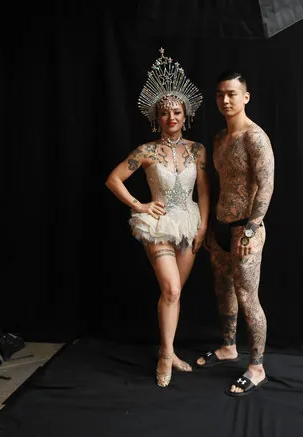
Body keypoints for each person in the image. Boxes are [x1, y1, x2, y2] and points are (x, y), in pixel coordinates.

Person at [105, 48, 209, 388]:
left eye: (177, 112)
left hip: (191, 222)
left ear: (186, 114)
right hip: (158, 224)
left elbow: (204, 192)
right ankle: (165, 357)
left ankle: (170, 351)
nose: (172, 117)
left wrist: (204, 226)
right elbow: (114, 179)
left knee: (174, 295)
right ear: (156, 116)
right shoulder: (146, 151)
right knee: (171, 287)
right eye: (165, 113)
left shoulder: (197, 150)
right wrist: (140, 205)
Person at [196, 71, 275, 397]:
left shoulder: (254, 138)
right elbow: (220, 184)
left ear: (246, 97)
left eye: (231, 94)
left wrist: (252, 229)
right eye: (220, 94)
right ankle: (228, 347)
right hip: (221, 225)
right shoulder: (219, 139)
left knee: (247, 297)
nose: (225, 100)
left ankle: (257, 367)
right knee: (223, 291)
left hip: (247, 227)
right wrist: (212, 228)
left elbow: (267, 185)